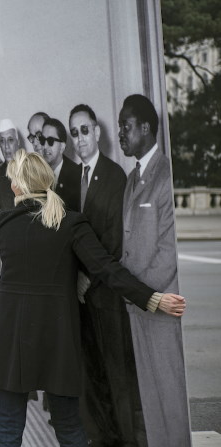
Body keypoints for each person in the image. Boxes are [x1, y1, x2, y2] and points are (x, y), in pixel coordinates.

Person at [0, 150, 185, 447]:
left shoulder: (3, 221)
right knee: (69, 427)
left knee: (9, 428)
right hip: (57, 336)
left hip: (10, 333)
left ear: (18, 186)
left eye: (12, 180)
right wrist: (153, 299)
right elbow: (108, 269)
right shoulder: (71, 222)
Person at [119, 94, 190, 446]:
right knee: (150, 398)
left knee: (171, 398)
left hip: (161, 306)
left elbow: (168, 251)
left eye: (125, 126)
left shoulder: (166, 174)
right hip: (140, 306)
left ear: (146, 128)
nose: (120, 133)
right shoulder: (133, 178)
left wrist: (140, 293)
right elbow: (128, 246)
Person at [68, 104, 139, 445]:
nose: (79, 138)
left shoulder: (114, 176)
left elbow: (114, 239)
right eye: (74, 132)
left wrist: (88, 279)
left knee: (117, 376)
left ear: (97, 132)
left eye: (84, 130)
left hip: (105, 293)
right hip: (79, 298)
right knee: (91, 376)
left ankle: (126, 439)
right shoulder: (69, 179)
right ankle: (102, 439)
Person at [40, 118, 81, 212]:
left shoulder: (77, 175)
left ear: (62, 147)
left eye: (50, 141)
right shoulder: (37, 175)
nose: (45, 146)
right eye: (42, 140)